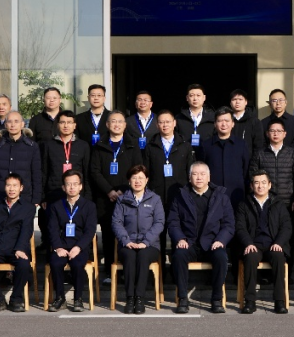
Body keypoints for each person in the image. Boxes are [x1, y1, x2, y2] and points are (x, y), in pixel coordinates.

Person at [168, 162, 236, 314]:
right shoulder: (180, 197)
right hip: (189, 243)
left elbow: (229, 225)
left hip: (212, 243)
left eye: (202, 174)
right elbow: (173, 223)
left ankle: (217, 299)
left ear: (209, 177)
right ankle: (182, 298)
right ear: (189, 177)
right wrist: (180, 238)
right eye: (195, 174)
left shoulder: (221, 197)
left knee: (221, 257)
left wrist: (220, 240)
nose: (199, 177)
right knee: (178, 256)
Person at [90, 111, 144, 283]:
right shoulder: (99, 146)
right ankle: (109, 271)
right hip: (105, 198)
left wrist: (123, 190)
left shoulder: (132, 145)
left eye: (120, 122)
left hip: (127, 196)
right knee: (108, 235)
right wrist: (109, 191)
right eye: (113, 121)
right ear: (107, 125)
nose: (117, 124)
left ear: (125, 125)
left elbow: (138, 170)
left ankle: (127, 270)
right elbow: (94, 171)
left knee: (128, 233)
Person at [249, 115, 294, 276]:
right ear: (267, 133)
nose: (275, 134)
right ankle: (266, 275)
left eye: (279, 131)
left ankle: (287, 275)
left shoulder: (293, 153)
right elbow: (252, 175)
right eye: (272, 131)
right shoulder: (260, 154)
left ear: (284, 134)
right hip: (266, 203)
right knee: (266, 236)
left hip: (288, 203)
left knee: (288, 239)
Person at [235, 171, 292, 314]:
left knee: (279, 257)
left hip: (273, 244)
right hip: (253, 244)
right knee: (250, 257)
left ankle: (279, 301)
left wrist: (279, 243)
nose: (260, 186)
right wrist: (248, 243)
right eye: (256, 183)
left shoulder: (278, 203)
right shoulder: (244, 204)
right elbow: (240, 227)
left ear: (269, 185)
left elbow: (286, 226)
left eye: (263, 182)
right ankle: (250, 301)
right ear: (251, 186)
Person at [111, 165, 165, 314]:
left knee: (143, 256)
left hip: (150, 245)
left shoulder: (155, 199)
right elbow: (116, 222)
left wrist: (145, 242)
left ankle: (139, 298)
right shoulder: (122, 200)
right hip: (127, 243)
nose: (137, 181)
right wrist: (126, 241)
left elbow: (159, 223)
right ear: (129, 181)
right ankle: (130, 298)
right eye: (134, 178)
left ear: (147, 180)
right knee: (129, 256)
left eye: (141, 178)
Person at [0, 173, 36, 313]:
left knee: (24, 265)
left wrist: (20, 248)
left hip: (17, 248)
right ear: (4, 187)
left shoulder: (28, 207)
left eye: (15, 186)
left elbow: (26, 230)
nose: (11, 189)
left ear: (21, 188)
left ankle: (16, 299)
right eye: (9, 185)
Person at [47, 170, 97, 312]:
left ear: (81, 186)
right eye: (68, 184)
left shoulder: (89, 206)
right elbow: (52, 229)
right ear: (63, 187)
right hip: (62, 246)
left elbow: (90, 231)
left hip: (80, 246)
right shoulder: (56, 206)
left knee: (77, 264)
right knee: (55, 263)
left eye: (75, 184)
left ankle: (78, 299)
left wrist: (79, 247)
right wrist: (58, 247)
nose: (72, 187)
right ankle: (60, 298)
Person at [0, 111, 42, 207]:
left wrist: (36, 199)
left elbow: (36, 174)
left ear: (22, 124)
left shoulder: (32, 147)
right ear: (5, 125)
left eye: (16, 121)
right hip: (0, 196)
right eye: (9, 121)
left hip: (25, 197)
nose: (13, 125)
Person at [198, 107, 250, 206]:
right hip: (213, 196)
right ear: (215, 124)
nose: (223, 124)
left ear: (233, 123)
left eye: (227, 121)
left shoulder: (241, 144)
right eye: (220, 121)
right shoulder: (206, 145)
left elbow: (246, 170)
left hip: (236, 195)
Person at [144, 109, 194, 213]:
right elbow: (146, 172)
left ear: (174, 123)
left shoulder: (185, 146)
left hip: (180, 194)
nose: (165, 125)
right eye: (161, 122)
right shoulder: (150, 146)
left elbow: (191, 171)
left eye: (168, 122)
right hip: (156, 195)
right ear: (157, 125)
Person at [42, 110, 91, 205]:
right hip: (54, 192)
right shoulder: (49, 145)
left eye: (69, 122)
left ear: (75, 125)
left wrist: (88, 196)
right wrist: (43, 197)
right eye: (62, 122)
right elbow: (44, 172)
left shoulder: (83, 146)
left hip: (76, 194)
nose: (66, 126)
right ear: (57, 125)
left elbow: (87, 173)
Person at [175, 83, 215, 151]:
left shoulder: (213, 117)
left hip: (207, 154)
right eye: (192, 95)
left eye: (198, 95)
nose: (195, 98)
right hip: (185, 154)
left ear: (204, 98)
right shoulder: (179, 118)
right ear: (187, 98)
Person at [229, 89, 265, 156]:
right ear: (230, 103)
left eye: (240, 99)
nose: (237, 102)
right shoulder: (226, 121)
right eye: (234, 99)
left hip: (248, 160)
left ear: (246, 102)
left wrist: (254, 161)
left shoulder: (254, 122)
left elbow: (259, 145)